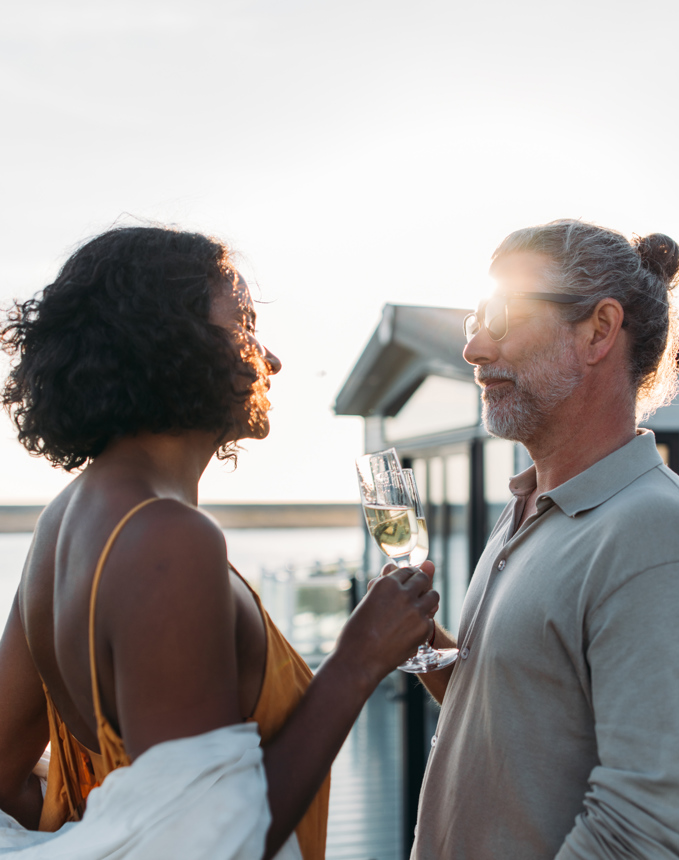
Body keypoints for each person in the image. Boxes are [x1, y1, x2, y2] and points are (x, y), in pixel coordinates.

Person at [0, 225, 438, 860]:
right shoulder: (169, 541)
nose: (272, 360)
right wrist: (357, 662)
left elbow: (7, 777)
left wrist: (107, 821)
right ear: (170, 342)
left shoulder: (61, 520)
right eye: (244, 327)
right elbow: (212, 845)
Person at [410, 219, 679, 858]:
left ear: (599, 331)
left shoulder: (655, 535)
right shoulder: (530, 506)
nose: (475, 348)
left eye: (503, 315)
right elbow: (517, 717)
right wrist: (427, 647)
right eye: (476, 318)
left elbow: (645, 832)